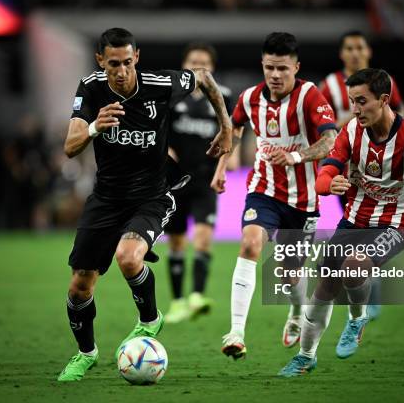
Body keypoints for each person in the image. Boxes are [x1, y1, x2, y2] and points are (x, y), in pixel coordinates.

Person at [58, 28, 232, 381]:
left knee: (128, 256)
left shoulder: (161, 83)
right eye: (112, 64)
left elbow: (204, 78)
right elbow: (70, 145)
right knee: (80, 286)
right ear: (100, 62)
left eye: (126, 62)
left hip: (153, 193)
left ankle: (150, 319)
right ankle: (86, 353)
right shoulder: (91, 87)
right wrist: (94, 128)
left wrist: (225, 125)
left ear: (136, 57)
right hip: (106, 198)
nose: (120, 72)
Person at [279, 68, 404, 377]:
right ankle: (306, 357)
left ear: (384, 100)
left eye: (362, 101)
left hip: (396, 226)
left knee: (355, 265)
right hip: (353, 222)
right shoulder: (350, 132)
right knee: (324, 287)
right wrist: (328, 184)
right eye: (352, 101)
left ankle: (356, 319)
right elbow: (326, 172)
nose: (356, 109)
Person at [212, 32, 338, 360]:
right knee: (250, 244)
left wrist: (296, 157)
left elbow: (330, 141)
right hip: (263, 191)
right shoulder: (250, 98)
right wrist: (222, 166)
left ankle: (296, 312)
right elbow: (234, 129)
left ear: (296, 67)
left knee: (289, 272)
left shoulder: (311, 97)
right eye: (270, 67)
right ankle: (236, 331)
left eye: (282, 68)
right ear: (262, 66)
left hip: (304, 200)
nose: (275, 75)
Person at [320, 30, 404, 319]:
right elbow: (321, 125)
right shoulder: (329, 87)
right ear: (342, 54)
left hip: (383, 173)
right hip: (348, 174)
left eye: (359, 47)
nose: (355, 52)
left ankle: (367, 295)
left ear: (368, 51)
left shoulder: (385, 83)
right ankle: (364, 292)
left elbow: (400, 116)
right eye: (349, 48)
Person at [164, 43, 235, 324]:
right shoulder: (171, 96)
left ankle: (196, 295)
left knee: (204, 237)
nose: (198, 67)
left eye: (204, 63)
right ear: (183, 64)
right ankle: (178, 302)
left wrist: (225, 166)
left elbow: (232, 135)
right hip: (176, 180)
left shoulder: (224, 97)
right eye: (193, 62)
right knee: (177, 241)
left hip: (205, 180)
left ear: (213, 69)